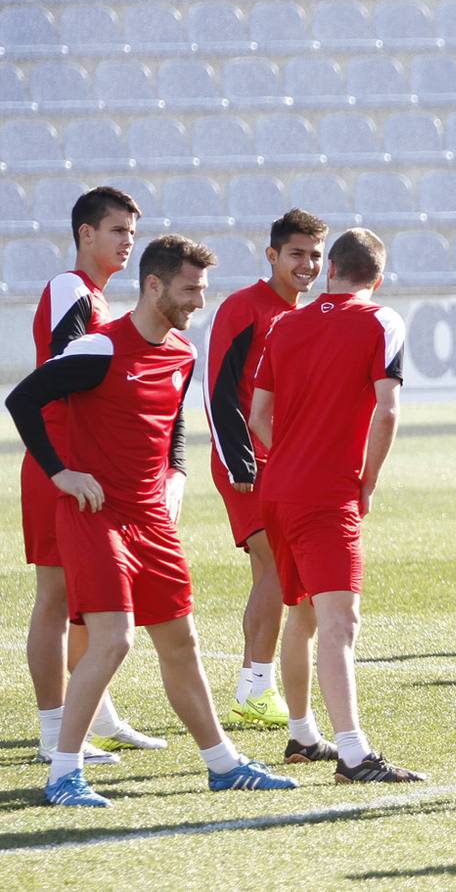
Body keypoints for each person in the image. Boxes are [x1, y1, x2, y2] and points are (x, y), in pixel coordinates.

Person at [7, 235, 298, 806]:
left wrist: (176, 478)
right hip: (96, 518)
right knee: (112, 641)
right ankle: (64, 773)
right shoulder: (98, 348)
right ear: (154, 285)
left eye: (204, 291)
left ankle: (222, 763)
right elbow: (23, 401)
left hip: (152, 522)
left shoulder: (182, 353)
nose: (198, 302)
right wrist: (61, 473)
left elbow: (171, 431)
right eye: (190, 290)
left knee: (182, 642)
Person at [249, 228, 425, 783]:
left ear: (331, 271)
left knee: (300, 616)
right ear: (377, 277)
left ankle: (302, 734)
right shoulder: (382, 320)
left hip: (277, 491)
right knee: (339, 622)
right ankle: (353, 752)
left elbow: (257, 417)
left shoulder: (285, 324)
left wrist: (293, 458)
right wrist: (367, 480)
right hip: (327, 497)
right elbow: (388, 411)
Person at [23, 186, 161, 765]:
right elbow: (60, 374)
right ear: (85, 234)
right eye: (116, 231)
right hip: (59, 465)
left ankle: (96, 715)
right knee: (55, 597)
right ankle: (53, 730)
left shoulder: (99, 299)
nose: (128, 241)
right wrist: (63, 468)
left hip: (85, 467)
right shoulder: (69, 288)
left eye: (132, 232)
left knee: (88, 598)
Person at [205, 209, 328, 731]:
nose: (307, 264)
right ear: (272, 255)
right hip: (247, 462)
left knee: (270, 573)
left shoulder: (309, 313)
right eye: (297, 254)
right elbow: (216, 389)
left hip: (287, 462)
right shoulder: (244, 307)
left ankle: (257, 685)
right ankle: (255, 686)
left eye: (316, 256)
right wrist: (240, 459)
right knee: (279, 567)